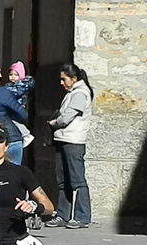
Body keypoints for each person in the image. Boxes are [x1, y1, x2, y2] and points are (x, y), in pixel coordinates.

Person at [45, 63, 93, 229]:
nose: (61, 83)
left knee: (77, 180)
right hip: (64, 139)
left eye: (64, 79)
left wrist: (54, 123)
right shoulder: (72, 92)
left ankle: (82, 216)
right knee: (63, 180)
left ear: (74, 79)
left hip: (73, 141)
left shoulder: (80, 93)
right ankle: (63, 215)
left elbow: (66, 117)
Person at [5, 60, 35, 148]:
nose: (13, 77)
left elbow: (15, 92)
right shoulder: (10, 86)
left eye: (16, 75)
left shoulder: (21, 86)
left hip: (18, 109)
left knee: (14, 122)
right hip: (12, 109)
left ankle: (26, 135)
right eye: (11, 75)